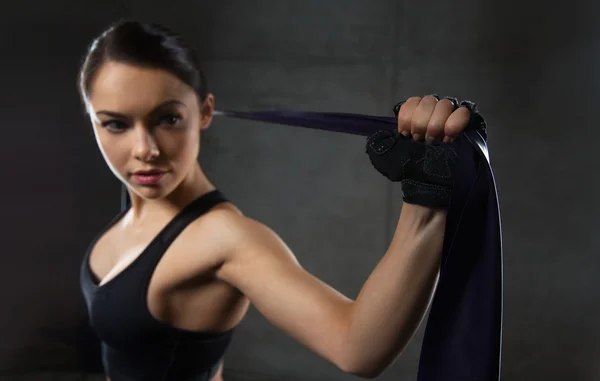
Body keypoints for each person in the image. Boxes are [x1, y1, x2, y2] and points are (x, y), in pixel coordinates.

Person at [78, 20, 474, 381]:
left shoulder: (223, 237)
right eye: (115, 124)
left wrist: (427, 200)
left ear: (204, 112)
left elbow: (358, 348)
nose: (144, 149)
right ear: (93, 120)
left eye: (167, 119)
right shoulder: (140, 199)